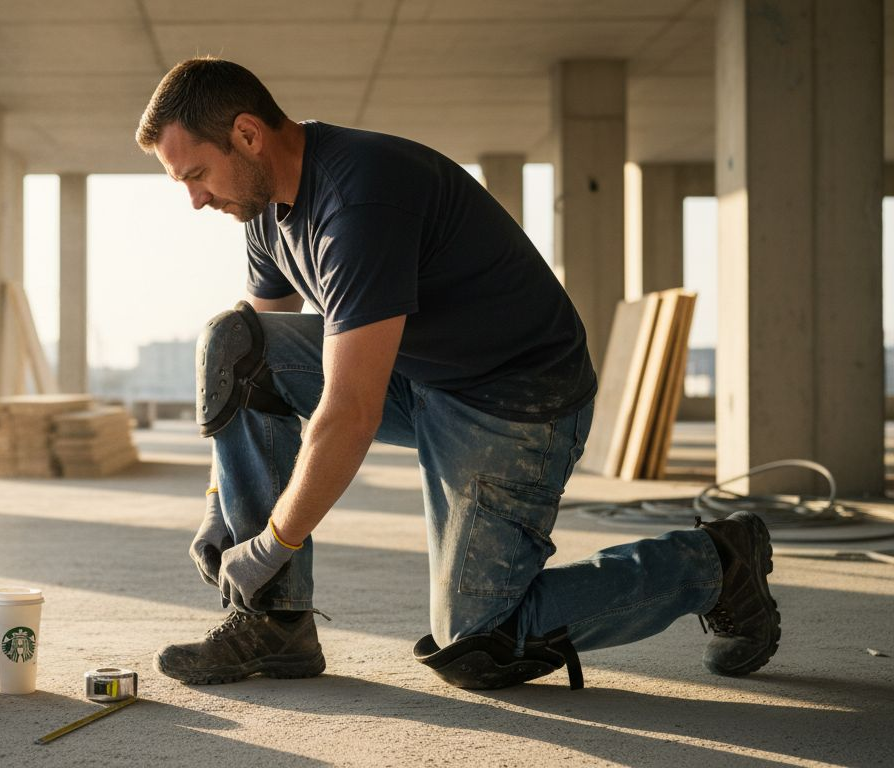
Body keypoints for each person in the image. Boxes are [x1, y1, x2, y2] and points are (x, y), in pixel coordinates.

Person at [134, 57, 780, 690]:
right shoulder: (265, 205)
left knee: (478, 645)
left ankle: (714, 563)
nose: (194, 200)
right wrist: (220, 504)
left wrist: (275, 543)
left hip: (513, 403)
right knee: (231, 340)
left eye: (197, 175)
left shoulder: (359, 199)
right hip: (423, 377)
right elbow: (250, 357)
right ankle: (273, 627)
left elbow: (350, 411)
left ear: (247, 135)